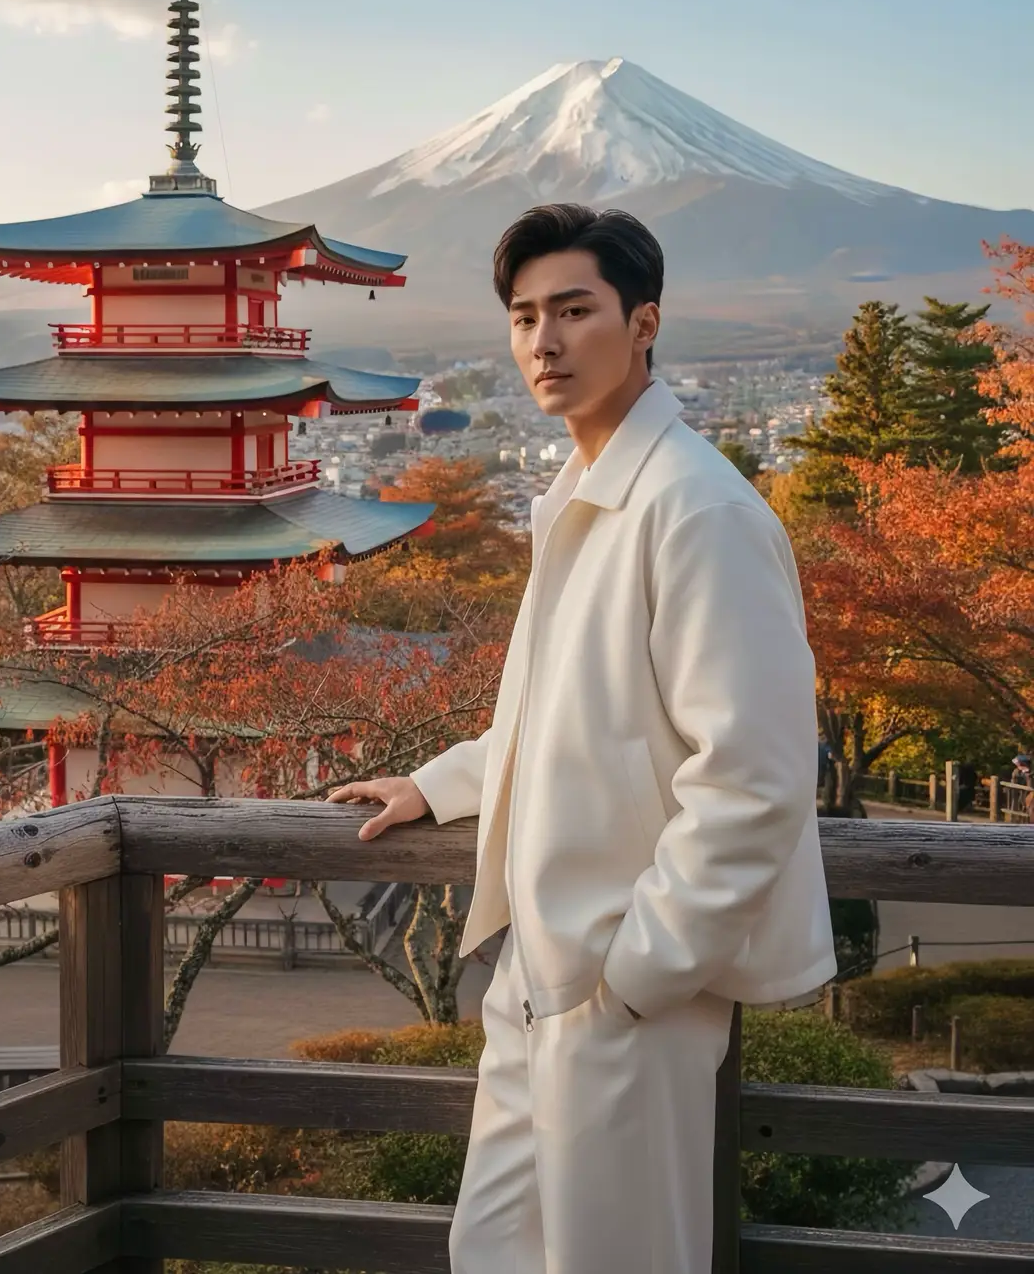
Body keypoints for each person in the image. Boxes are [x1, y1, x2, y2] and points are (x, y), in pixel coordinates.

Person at [327, 203, 837, 1273]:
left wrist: (643, 968)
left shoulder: (697, 509)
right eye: (524, 318)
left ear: (643, 323)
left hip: (622, 980)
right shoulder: (584, 492)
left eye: (574, 310)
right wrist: (443, 783)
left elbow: (757, 773)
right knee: (496, 1251)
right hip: (542, 970)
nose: (544, 342)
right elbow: (568, 709)